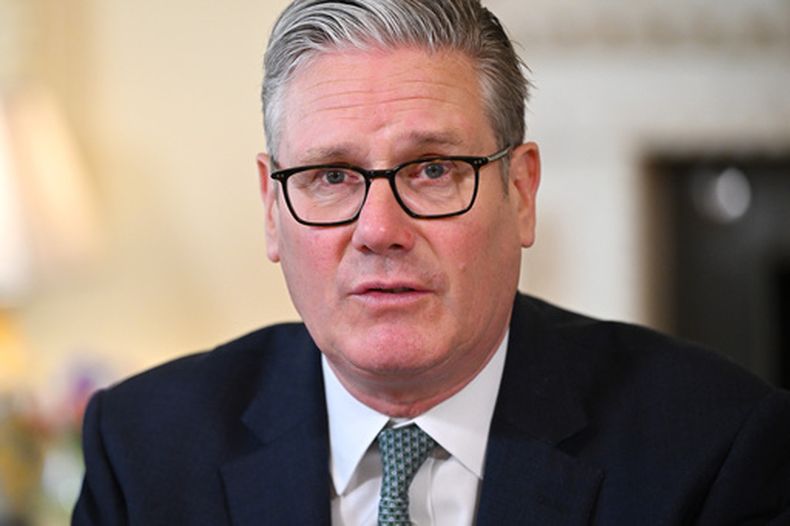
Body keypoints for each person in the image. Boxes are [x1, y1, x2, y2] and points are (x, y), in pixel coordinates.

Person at [73, 0, 790, 524]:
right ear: (272, 207)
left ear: (521, 191)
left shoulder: (713, 447)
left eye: (434, 169)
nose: (379, 230)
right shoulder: (142, 451)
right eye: (331, 176)